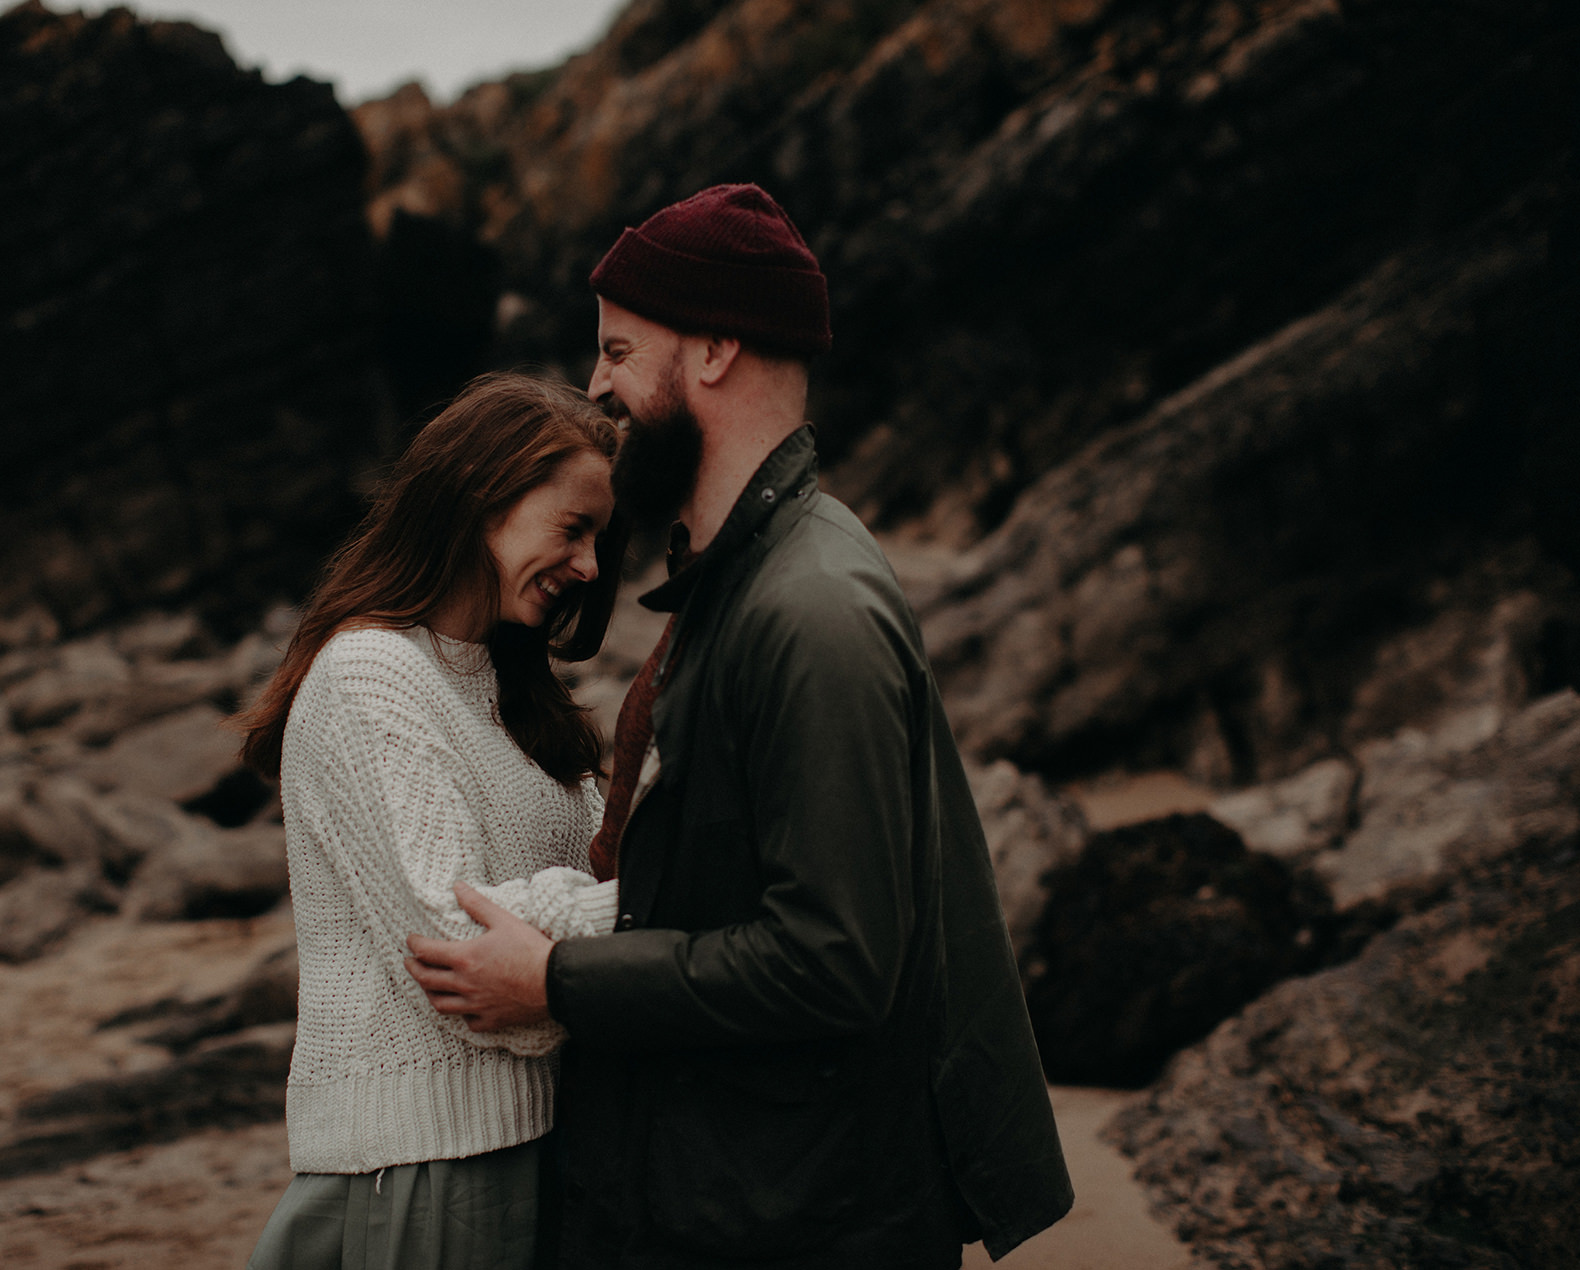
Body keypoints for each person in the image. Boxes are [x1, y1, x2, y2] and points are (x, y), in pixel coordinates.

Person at [405, 186, 1074, 1268]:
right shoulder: (740, 583)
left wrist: (557, 979)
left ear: (714, 348)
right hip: (747, 1190)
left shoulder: (810, 607)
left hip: (799, 1215)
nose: (596, 386)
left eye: (619, 350)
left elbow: (833, 958)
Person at [235, 372, 631, 1270]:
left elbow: (589, 891)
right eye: (572, 529)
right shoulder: (371, 677)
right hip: (421, 1167)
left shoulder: (506, 690)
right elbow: (458, 957)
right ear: (481, 500)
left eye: (599, 537)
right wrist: (668, 907)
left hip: (522, 1149)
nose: (590, 567)